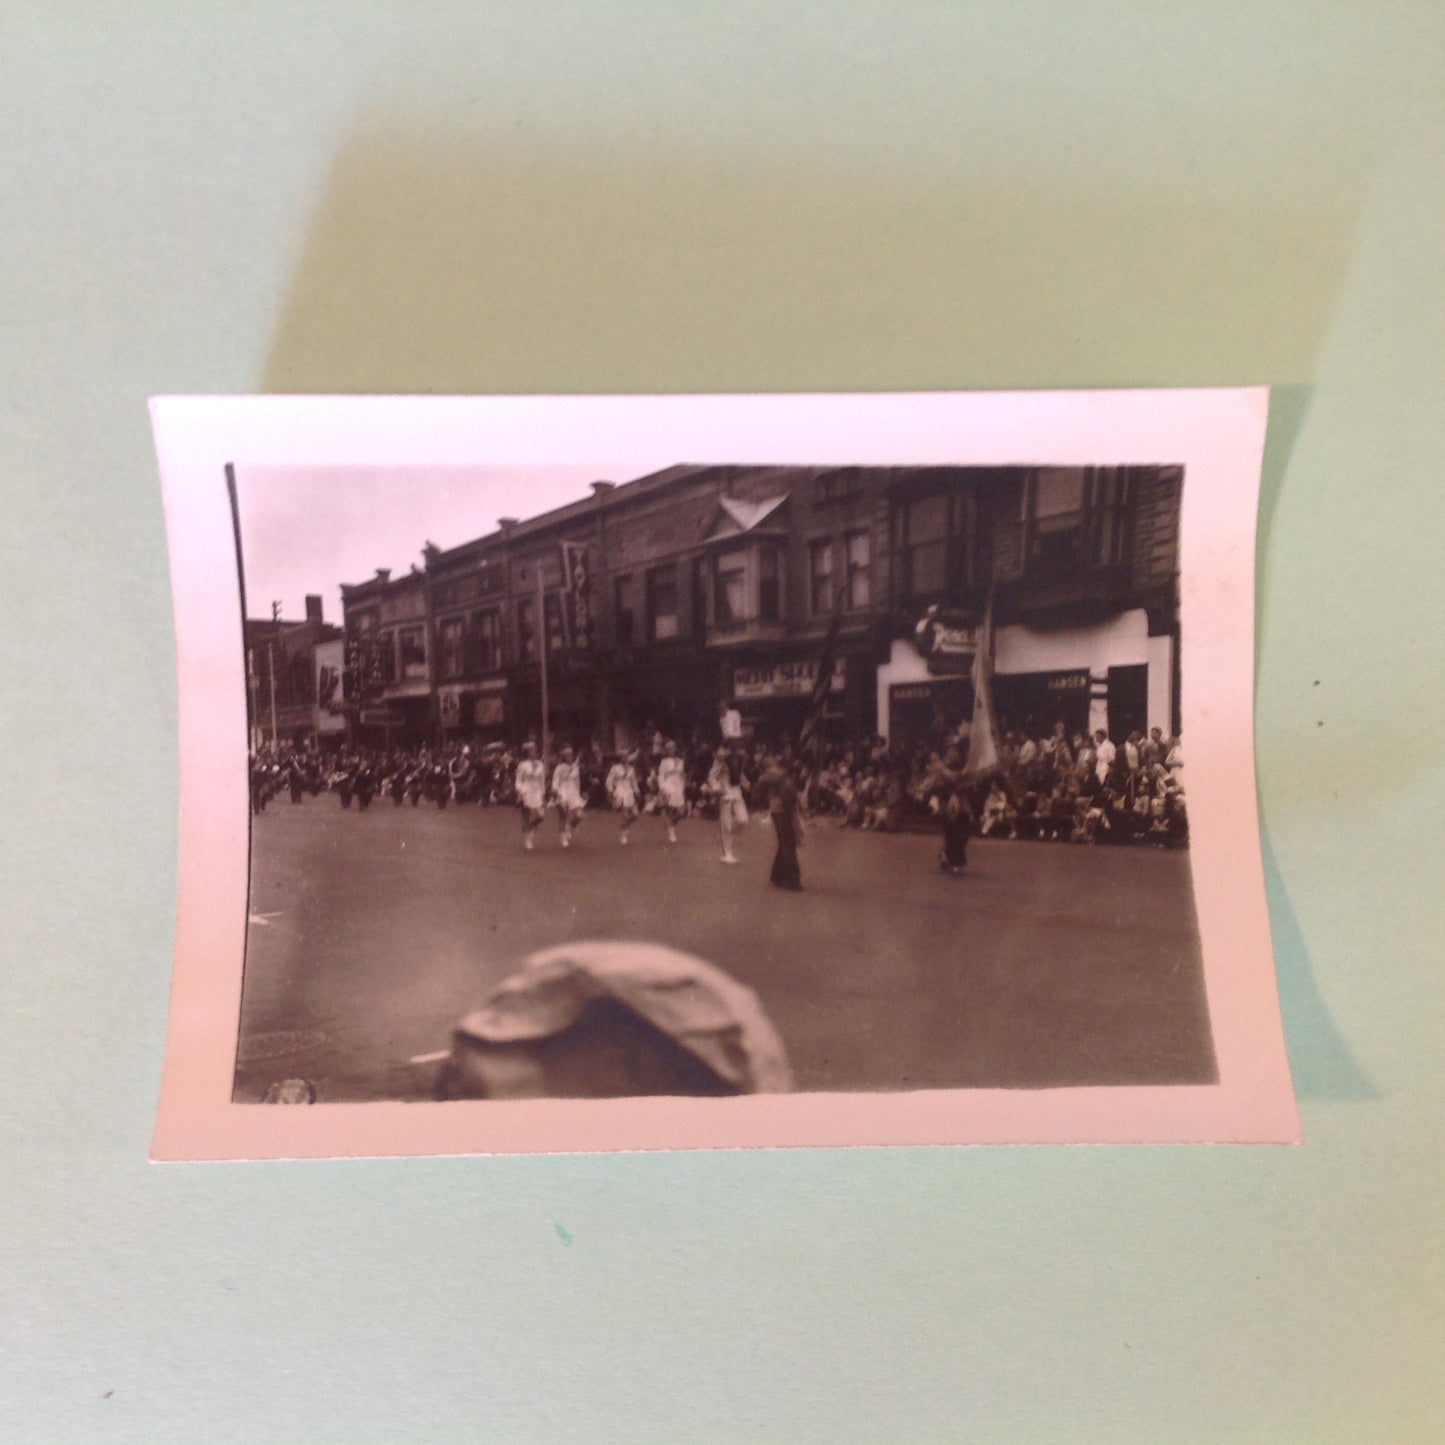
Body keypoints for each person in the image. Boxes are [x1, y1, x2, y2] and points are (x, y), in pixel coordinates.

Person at [757, 751, 804, 891]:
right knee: (788, 843)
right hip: (783, 809)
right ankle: (791, 880)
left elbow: (759, 791)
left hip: (779, 809)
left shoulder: (772, 775)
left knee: (785, 842)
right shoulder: (776, 774)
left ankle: (777, 875)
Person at [708, 744, 749, 863]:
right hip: (725, 792)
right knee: (726, 824)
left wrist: (744, 781)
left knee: (743, 820)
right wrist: (717, 788)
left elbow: (738, 773)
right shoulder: (721, 758)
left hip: (736, 792)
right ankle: (728, 853)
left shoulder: (739, 757)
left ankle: (726, 836)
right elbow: (711, 777)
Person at [514, 741, 547, 850]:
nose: (534, 752)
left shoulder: (540, 764)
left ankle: (531, 828)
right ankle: (528, 839)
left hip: (537, 791)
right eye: (531, 750)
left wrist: (543, 793)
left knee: (541, 815)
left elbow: (542, 780)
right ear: (527, 753)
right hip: (526, 791)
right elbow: (518, 781)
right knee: (526, 815)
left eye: (535, 750)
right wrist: (520, 791)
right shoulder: (522, 765)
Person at [551, 745, 585, 848]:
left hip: (573, 791)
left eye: (571, 755)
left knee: (579, 815)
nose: (570, 757)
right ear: (564, 757)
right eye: (567, 756)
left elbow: (577, 781)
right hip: (562, 791)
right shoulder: (559, 768)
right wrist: (556, 792)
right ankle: (563, 837)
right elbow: (555, 781)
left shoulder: (575, 767)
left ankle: (569, 827)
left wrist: (578, 793)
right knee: (563, 815)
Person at [656, 739, 688, 845]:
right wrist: (663, 789)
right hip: (668, 786)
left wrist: (684, 785)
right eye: (669, 748)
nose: (671, 750)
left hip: (678, 787)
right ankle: (671, 832)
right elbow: (661, 776)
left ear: (675, 749)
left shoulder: (680, 761)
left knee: (682, 812)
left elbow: (682, 775)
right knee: (670, 809)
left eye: (673, 748)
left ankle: (670, 825)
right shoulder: (663, 762)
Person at [605, 751, 641, 844]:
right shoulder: (615, 768)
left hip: (629, 792)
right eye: (623, 757)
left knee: (635, 815)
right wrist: (611, 791)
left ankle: (624, 826)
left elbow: (633, 782)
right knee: (624, 813)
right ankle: (623, 835)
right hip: (620, 792)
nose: (625, 758)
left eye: (626, 756)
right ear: (620, 758)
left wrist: (637, 792)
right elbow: (609, 780)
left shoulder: (631, 769)